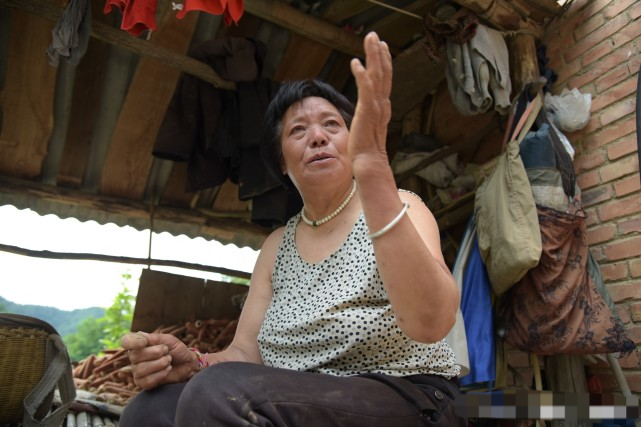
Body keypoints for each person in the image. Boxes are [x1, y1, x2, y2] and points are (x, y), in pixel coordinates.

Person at [120, 31, 465, 426]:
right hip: (303, 398)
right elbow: (245, 355)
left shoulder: (401, 205)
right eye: (297, 130)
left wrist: (374, 170)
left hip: (409, 394)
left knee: (220, 395)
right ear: (281, 162)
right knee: (149, 410)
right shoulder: (276, 246)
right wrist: (195, 362)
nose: (317, 136)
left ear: (354, 141)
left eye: (332, 125)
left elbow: (432, 324)